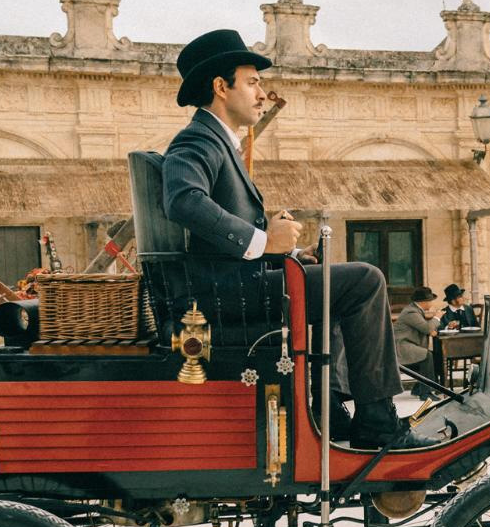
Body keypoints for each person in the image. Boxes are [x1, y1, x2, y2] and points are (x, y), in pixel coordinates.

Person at [161, 28, 434, 449]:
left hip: (233, 286)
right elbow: (183, 200)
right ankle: (377, 421)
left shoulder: (218, 142)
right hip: (223, 296)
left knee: (327, 279)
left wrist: (287, 252)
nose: (262, 93)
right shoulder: (198, 139)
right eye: (252, 82)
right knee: (365, 281)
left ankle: (330, 407)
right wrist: (262, 241)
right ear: (220, 86)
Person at [394, 286, 440, 398]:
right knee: (427, 356)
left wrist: (431, 327)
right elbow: (426, 328)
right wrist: (437, 318)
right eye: (430, 301)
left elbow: (425, 326)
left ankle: (419, 388)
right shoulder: (411, 312)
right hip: (401, 347)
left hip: (407, 344)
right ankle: (425, 393)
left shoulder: (415, 310)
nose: (432, 303)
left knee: (433, 356)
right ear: (424, 302)